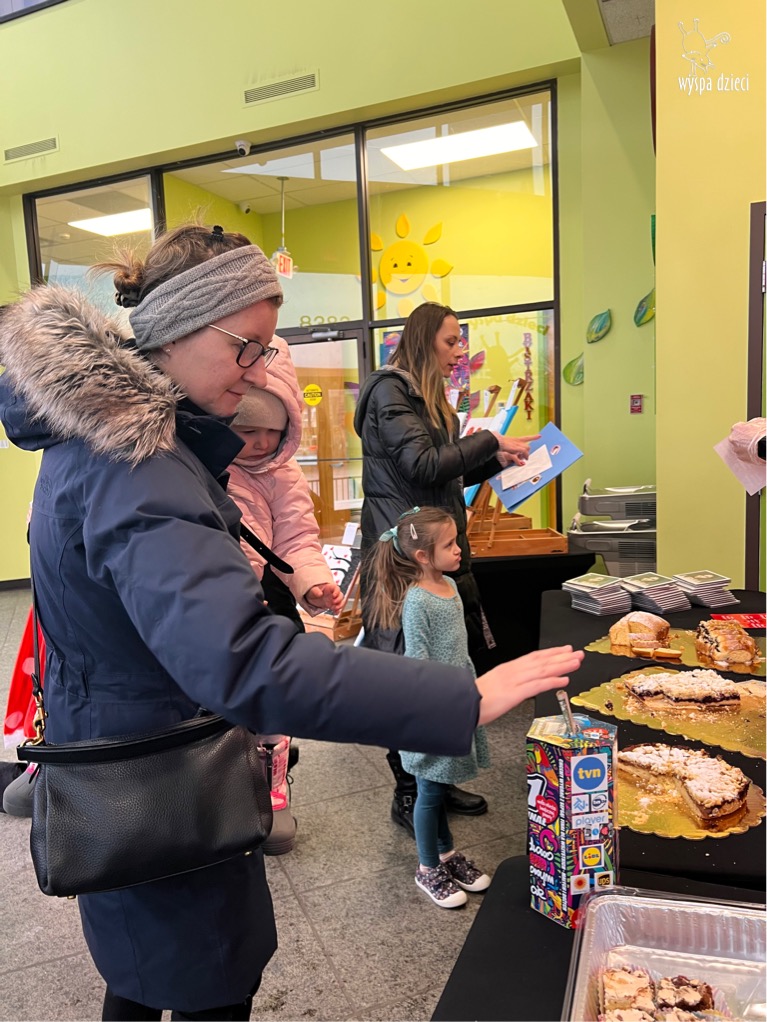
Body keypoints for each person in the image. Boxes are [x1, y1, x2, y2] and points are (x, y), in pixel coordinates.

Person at [0, 223, 583, 1021]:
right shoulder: (134, 465)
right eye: (246, 347)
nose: (259, 371)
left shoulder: (105, 441)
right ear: (176, 328)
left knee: (144, 969)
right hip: (161, 776)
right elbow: (244, 662)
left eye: (268, 349)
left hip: (134, 766)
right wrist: (458, 697)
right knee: (205, 978)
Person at [354, 301, 538, 833]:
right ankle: (408, 790)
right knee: (406, 674)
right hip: (403, 558)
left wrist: (491, 459)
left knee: (445, 667)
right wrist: (489, 440)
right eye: (450, 341)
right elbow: (421, 465)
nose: (459, 352)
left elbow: (441, 474)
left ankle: (436, 778)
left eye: (460, 342)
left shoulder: (426, 397)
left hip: (433, 548)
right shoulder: (390, 392)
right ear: (423, 340)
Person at [228, 347, 343, 854]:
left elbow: (296, 537)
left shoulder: (283, 473)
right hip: (216, 596)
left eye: (273, 431)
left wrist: (313, 582)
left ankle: (273, 786)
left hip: (267, 596)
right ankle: (224, 787)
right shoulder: (194, 463)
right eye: (247, 429)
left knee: (273, 696)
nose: (260, 442)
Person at [366, 506, 493, 908]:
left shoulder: (450, 585)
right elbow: (417, 660)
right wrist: (433, 704)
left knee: (438, 786)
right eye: (450, 544)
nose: (459, 550)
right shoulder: (418, 600)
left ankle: (446, 854)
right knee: (429, 791)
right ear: (422, 556)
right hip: (432, 704)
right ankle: (427, 867)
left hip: (455, 695)